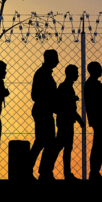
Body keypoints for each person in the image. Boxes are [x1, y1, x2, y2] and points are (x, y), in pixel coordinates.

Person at [29, 50, 60, 180]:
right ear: (50, 59)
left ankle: (43, 171)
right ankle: (38, 171)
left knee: (46, 142)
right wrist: (51, 101)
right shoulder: (42, 74)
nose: (57, 61)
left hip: (45, 110)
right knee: (43, 142)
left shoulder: (44, 73)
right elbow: (35, 95)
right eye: (55, 59)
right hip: (43, 111)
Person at [54, 65, 84, 179]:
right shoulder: (65, 87)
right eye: (75, 72)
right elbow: (66, 106)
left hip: (66, 121)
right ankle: (51, 170)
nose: (77, 75)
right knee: (61, 147)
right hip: (65, 121)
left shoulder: (67, 87)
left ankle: (66, 173)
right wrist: (79, 119)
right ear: (69, 73)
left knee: (64, 147)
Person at [85, 61, 102, 180]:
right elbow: (101, 101)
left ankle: (94, 172)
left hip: (98, 118)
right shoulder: (93, 85)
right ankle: (94, 172)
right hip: (98, 118)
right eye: (100, 69)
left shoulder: (92, 84)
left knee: (100, 144)